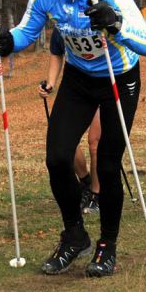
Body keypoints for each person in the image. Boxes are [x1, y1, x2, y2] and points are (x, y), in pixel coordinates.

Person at [0, 0, 146, 277]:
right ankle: (74, 235)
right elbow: (26, 32)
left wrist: (115, 24)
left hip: (118, 78)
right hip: (78, 78)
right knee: (58, 157)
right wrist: (4, 42)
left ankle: (107, 244)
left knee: (107, 165)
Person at [41, 27, 102, 214]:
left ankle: (96, 195)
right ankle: (85, 182)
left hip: (105, 84)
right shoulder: (63, 26)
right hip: (79, 88)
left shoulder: (98, 20)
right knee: (65, 139)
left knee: (95, 142)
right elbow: (56, 53)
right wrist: (50, 83)